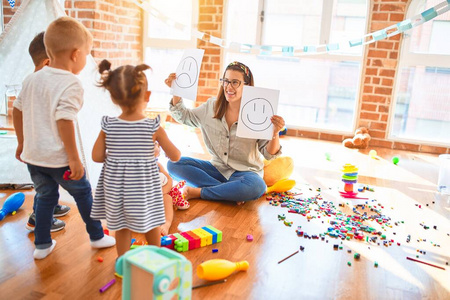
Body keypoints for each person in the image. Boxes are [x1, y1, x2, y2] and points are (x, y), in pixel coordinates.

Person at [12, 16, 116, 260]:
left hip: (34, 158)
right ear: (75, 54)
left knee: (45, 196)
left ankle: (42, 244)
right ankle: (97, 235)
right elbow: (64, 120)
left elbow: (17, 109)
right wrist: (74, 158)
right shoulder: (71, 83)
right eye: (86, 55)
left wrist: (21, 141)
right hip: (59, 160)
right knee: (83, 193)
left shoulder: (31, 79)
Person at [91, 59, 181, 257]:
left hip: (118, 190)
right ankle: (155, 257)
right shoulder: (153, 127)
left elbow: (96, 156)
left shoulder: (108, 126)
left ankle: (122, 261)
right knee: (152, 223)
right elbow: (176, 156)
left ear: (113, 98)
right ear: (147, 95)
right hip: (145, 190)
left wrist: (117, 155)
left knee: (122, 227)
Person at [164, 61, 285, 204]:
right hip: (216, 169)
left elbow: (269, 154)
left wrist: (274, 132)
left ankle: (201, 192)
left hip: (246, 175)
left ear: (247, 85)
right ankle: (228, 192)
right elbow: (185, 116)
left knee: (257, 187)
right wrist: (177, 91)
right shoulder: (211, 107)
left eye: (235, 82)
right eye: (226, 81)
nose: (229, 87)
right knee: (174, 164)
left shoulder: (258, 113)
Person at [22, 31, 70, 233]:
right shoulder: (38, 83)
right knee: (44, 188)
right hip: (42, 150)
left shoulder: (31, 81)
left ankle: (51, 205)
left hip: (39, 148)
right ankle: (39, 217)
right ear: (48, 63)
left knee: (49, 185)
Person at [154, 141, 189, 236]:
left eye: (155, 145)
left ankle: (166, 223)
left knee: (167, 199)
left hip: (159, 195)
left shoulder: (158, 165)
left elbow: (169, 179)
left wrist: (163, 192)